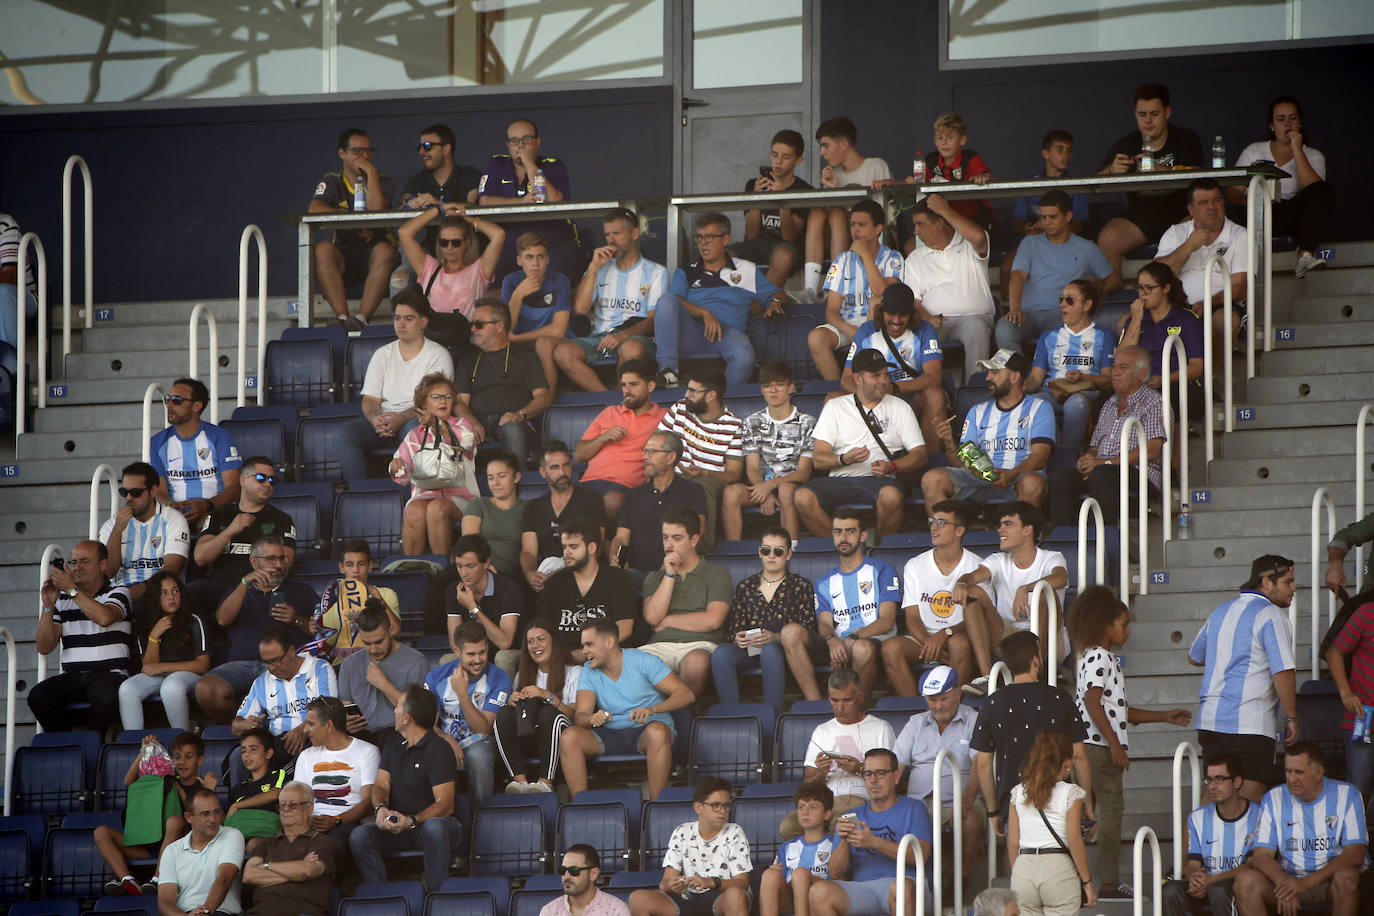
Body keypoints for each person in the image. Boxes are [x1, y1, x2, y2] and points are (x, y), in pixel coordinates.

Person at [1067, 586, 1192, 897]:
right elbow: (1093, 702)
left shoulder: (1092, 656)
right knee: (1111, 810)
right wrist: (1115, 745)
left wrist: (1164, 716)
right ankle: (1107, 884)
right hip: (1098, 748)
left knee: (1088, 814)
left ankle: (1079, 882)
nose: (1129, 630)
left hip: (1092, 746)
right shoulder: (1100, 656)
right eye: (1124, 624)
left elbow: (1118, 710)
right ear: (1104, 624)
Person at [1188, 555, 1299, 802]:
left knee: (1214, 795)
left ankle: (1194, 843)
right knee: (1249, 797)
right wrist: (1292, 718)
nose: (1293, 588)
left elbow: (1194, 657)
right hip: (1249, 724)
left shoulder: (1221, 610)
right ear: (1267, 581)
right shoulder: (1272, 614)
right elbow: (1282, 671)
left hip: (1210, 722)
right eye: (1288, 582)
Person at [795, 350, 927, 540]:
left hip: (881, 481)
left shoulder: (900, 407)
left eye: (885, 375)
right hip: (838, 480)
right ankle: (841, 550)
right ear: (857, 378)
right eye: (875, 375)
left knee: (891, 496)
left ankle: (881, 551)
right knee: (802, 497)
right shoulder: (835, 406)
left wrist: (892, 466)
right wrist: (843, 459)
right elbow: (819, 459)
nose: (883, 380)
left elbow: (920, 454)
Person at [969, 631, 1093, 831]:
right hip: (1060, 804)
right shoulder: (1060, 698)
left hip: (1013, 807)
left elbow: (983, 764)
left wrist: (993, 812)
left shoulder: (991, 703)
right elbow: (1079, 757)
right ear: (1035, 660)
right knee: (1061, 861)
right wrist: (1087, 805)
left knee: (1022, 862)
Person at [559, 619, 696, 800]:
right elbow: (580, 716)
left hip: (649, 731)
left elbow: (686, 694)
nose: (584, 651)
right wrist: (592, 718)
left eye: (589, 644)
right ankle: (581, 806)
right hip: (612, 733)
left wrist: (652, 709)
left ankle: (657, 806)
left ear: (609, 642)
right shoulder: (588, 671)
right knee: (569, 737)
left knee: (657, 731)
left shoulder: (643, 660)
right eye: (583, 646)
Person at [655, 211, 787, 388]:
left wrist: (775, 302)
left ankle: (723, 403)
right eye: (699, 237)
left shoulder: (746, 269)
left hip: (727, 335)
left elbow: (778, 294)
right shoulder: (686, 271)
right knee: (666, 300)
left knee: (744, 355)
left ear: (725, 239)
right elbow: (674, 302)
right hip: (692, 334)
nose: (703, 243)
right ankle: (669, 372)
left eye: (709, 237)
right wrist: (704, 313)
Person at [348, 685, 461, 890]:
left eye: (398, 706)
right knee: (360, 835)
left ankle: (438, 897)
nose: (394, 711)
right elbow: (381, 784)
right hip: (399, 827)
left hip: (433, 827)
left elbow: (445, 805)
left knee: (434, 827)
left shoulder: (439, 749)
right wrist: (380, 808)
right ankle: (383, 898)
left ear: (407, 717)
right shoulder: (393, 742)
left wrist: (412, 821)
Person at [1234, 743, 1366, 916]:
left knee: (1347, 877)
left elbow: (1355, 855)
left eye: (1299, 772)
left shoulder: (1347, 794)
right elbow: (1261, 856)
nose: (1292, 778)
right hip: (1288, 879)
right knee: (1245, 880)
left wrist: (1306, 883)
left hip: (1330, 882)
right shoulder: (1273, 798)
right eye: (1288, 771)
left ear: (1319, 772)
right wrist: (1286, 883)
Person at [196, 537, 317, 725]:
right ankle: (256, 723)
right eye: (271, 558)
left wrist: (296, 619)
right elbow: (222, 619)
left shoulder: (302, 591)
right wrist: (244, 583)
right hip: (243, 664)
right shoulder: (238, 591)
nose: (278, 564)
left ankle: (265, 725)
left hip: (286, 664)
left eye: (282, 558)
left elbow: (320, 635)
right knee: (206, 689)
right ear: (254, 562)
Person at [339, 289, 455, 481]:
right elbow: (370, 399)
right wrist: (375, 417)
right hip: (385, 420)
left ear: (423, 322)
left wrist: (401, 417)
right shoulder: (382, 354)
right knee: (344, 434)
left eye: (408, 319)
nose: (401, 324)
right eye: (397, 318)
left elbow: (435, 404)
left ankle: (411, 493)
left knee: (413, 429)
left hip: (416, 419)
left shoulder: (438, 355)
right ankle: (360, 493)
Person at [923, 349, 1054, 512]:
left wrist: (1010, 474)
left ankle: (1025, 534)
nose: (987, 378)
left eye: (995, 372)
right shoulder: (977, 411)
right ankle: (943, 533)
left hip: (1019, 477)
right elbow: (962, 463)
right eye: (988, 372)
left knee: (1032, 482)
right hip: (979, 479)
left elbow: (1040, 457)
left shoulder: (1039, 408)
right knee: (932, 479)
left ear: (1015, 376)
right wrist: (949, 443)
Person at [711, 526, 825, 711]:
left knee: (770, 650)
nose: (771, 555)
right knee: (721, 653)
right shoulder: (745, 586)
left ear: (788, 554)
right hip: (752, 646)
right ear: (759, 553)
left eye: (778, 551)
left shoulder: (800, 585)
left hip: (784, 647)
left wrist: (775, 637)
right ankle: (731, 715)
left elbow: (807, 628)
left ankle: (774, 716)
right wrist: (738, 638)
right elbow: (735, 628)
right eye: (766, 550)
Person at [1049, 345, 1165, 527]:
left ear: (1141, 374)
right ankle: (1065, 541)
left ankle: (1108, 540)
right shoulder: (1110, 403)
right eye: (1114, 367)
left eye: (1123, 368)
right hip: (1102, 470)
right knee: (1060, 477)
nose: (1114, 373)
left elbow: (1150, 451)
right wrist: (1088, 458)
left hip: (1140, 474)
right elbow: (1096, 446)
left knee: (1101, 474)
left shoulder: (1154, 402)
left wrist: (1104, 463)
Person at [808, 748, 932, 916]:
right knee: (819, 891)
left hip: (904, 885)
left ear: (896, 777)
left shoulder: (914, 808)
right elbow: (835, 872)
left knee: (901, 888)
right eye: (868, 774)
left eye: (880, 773)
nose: (873, 780)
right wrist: (845, 840)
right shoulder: (851, 816)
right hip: (862, 889)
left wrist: (873, 841)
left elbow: (921, 856)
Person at [1095, 83, 1204, 274]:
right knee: (1108, 237)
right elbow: (1094, 183)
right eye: (1142, 114)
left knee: (1201, 224)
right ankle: (1111, 291)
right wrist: (1112, 170)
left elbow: (1200, 178)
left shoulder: (1186, 139)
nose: (1148, 120)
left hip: (1181, 215)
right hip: (1140, 219)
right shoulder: (1126, 144)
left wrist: (1161, 169)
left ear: (1167, 112)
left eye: (1154, 114)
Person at [882, 501, 988, 690]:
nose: (933, 527)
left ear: (959, 531)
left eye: (941, 522)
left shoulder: (977, 567)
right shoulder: (915, 565)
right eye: (932, 521)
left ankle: (955, 705)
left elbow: (980, 619)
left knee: (959, 644)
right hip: (923, 637)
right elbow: (912, 617)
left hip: (959, 636)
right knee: (891, 648)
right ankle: (914, 710)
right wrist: (929, 642)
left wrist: (944, 634)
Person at [30, 539, 133, 734]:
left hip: (110, 675)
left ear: (103, 565)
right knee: (38, 696)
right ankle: (68, 746)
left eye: (85, 561)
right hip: (73, 677)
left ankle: (90, 748)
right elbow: (44, 646)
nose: (77, 567)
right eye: (74, 562)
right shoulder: (63, 599)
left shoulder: (119, 592)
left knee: (104, 696)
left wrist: (71, 589)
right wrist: (48, 605)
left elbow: (104, 617)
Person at [996, 190, 1118, 354]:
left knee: (1068, 335)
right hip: (1027, 315)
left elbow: (1114, 278)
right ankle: (1017, 376)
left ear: (1068, 216)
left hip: (1063, 316)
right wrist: (1015, 308)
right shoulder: (1029, 243)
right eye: (1043, 217)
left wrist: (1092, 292)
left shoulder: (1087, 248)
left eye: (1052, 217)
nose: (1046, 222)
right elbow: (1017, 275)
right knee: (1004, 329)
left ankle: (1052, 379)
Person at [952, 502, 1067, 671]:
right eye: (1000, 524)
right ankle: (986, 676)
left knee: (1043, 594)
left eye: (1008, 524)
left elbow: (1060, 578)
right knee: (973, 593)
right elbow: (973, 577)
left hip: (1049, 640)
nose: (1000, 530)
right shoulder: (998, 560)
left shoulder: (1052, 558)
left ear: (1027, 530)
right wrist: (961, 583)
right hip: (1008, 636)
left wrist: (1025, 589)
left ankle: (1038, 669)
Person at [783, 668, 896, 838]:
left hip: (863, 799)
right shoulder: (822, 731)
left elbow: (892, 779)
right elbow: (808, 786)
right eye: (834, 700)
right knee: (788, 827)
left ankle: (832, 863)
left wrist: (859, 769)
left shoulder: (881, 728)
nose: (840, 707)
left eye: (847, 700)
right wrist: (822, 773)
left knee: (842, 819)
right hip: (824, 802)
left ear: (860, 697)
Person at [891, 666, 984, 875]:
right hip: (918, 803)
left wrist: (966, 799)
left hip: (959, 801)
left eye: (944, 698)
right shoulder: (916, 723)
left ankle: (963, 878)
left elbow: (980, 765)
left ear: (958, 693)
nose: (938, 706)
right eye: (932, 700)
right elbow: (895, 765)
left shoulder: (973, 719)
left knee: (968, 818)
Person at [558, 207, 663, 390]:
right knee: (562, 352)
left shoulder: (656, 271)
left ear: (635, 233)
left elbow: (654, 320)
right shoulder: (600, 268)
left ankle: (622, 405)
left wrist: (622, 335)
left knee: (631, 348)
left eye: (617, 233)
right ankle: (609, 402)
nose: (611, 240)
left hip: (635, 337)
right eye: (607, 235)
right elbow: (579, 309)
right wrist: (593, 267)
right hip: (600, 338)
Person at [96, 733, 208, 897]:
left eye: (188, 757)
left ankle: (157, 879)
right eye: (177, 757)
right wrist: (144, 752)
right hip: (149, 847)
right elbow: (129, 782)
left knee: (175, 821)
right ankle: (127, 880)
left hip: (180, 849)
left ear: (200, 760)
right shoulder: (164, 780)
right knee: (101, 832)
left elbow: (200, 819)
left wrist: (180, 790)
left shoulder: (202, 787)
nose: (182, 762)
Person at [309, 127, 399, 331]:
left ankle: (361, 319)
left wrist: (371, 173)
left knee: (385, 251)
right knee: (322, 249)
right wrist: (352, 225)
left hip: (377, 257)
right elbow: (314, 208)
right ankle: (342, 318)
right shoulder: (332, 180)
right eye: (358, 151)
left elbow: (376, 209)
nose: (364, 156)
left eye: (369, 151)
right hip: (345, 255)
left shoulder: (383, 180)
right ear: (342, 153)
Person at [1232, 96, 1332, 278]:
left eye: (1293, 118)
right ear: (1272, 125)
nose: (1287, 124)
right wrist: (1255, 204)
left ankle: (1305, 257)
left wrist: (1297, 149)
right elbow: (1232, 193)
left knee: (1321, 190)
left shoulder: (1313, 155)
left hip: (1290, 217)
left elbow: (1314, 190)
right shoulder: (1254, 150)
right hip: (1257, 214)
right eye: (1281, 119)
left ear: (1300, 122)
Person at [901, 194, 996, 382]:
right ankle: (924, 393)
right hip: (934, 322)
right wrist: (927, 317)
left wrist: (945, 210)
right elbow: (913, 300)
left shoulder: (969, 244)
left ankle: (973, 393)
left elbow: (979, 236)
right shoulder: (914, 258)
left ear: (940, 222)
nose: (916, 231)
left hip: (972, 320)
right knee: (913, 330)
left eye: (921, 224)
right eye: (915, 225)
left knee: (976, 328)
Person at [807, 200, 903, 381]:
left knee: (876, 303)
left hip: (880, 326)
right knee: (816, 337)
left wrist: (866, 255)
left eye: (862, 225)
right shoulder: (842, 260)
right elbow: (831, 311)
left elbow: (884, 295)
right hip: (848, 326)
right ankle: (839, 390)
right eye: (852, 224)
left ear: (878, 228)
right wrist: (849, 329)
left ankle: (862, 385)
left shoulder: (893, 257)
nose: (855, 230)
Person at [640, 508, 732, 696]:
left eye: (677, 538)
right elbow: (652, 617)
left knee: (696, 663)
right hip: (660, 645)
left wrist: (668, 621)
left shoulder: (716, 573)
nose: (669, 545)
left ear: (694, 540)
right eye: (665, 538)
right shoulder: (655, 578)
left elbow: (713, 620)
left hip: (700, 644)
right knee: (632, 664)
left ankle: (681, 716)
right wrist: (669, 574)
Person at [720, 361, 816, 541]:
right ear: (762, 390)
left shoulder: (807, 422)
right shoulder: (752, 422)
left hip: (793, 485)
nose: (773, 390)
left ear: (791, 388)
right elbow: (752, 469)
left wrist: (771, 487)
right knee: (730, 493)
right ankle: (735, 552)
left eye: (779, 385)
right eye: (767, 386)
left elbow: (803, 472)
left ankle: (791, 549)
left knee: (786, 490)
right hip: (760, 485)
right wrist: (765, 493)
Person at [840, 284, 944, 450]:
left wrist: (893, 388)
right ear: (881, 311)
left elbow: (934, 377)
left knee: (935, 395)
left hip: (910, 397)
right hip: (872, 398)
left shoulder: (925, 330)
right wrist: (869, 394)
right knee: (832, 398)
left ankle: (927, 463)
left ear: (912, 314)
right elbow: (846, 379)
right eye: (891, 313)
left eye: (902, 315)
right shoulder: (866, 331)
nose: (896, 320)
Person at [629, 777, 752, 916]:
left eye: (726, 805)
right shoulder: (682, 831)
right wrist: (673, 885)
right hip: (685, 898)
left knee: (735, 896)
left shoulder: (735, 832)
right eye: (716, 805)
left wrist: (711, 882)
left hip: (720, 898)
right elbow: (664, 884)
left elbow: (742, 883)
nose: (722, 811)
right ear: (698, 807)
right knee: (637, 898)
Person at [812, 510, 900, 702]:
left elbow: (887, 621)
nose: (843, 537)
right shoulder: (824, 582)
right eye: (837, 532)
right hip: (843, 643)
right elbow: (824, 623)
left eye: (850, 531)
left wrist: (854, 637)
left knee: (861, 648)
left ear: (863, 535)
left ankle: (860, 707)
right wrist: (832, 641)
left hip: (877, 639)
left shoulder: (883, 570)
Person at [1006, 731, 1097, 916]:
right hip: (1057, 869)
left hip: (1023, 868)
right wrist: (1087, 882)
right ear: (1067, 761)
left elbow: (1013, 842)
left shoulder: (1018, 792)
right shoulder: (1071, 792)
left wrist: (1018, 875)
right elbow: (1074, 840)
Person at [477, 117, 581, 278]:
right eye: (514, 141)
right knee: (494, 294)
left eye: (526, 140)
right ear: (508, 146)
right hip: (510, 247)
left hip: (552, 245)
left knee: (554, 287)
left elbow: (553, 201)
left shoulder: (553, 165)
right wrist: (521, 202)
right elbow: (485, 201)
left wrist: (530, 164)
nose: (520, 145)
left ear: (537, 142)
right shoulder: (497, 163)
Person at [1158, 754, 1261, 916]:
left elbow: (1253, 865)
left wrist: (1212, 880)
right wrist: (1194, 879)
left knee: (1218, 890)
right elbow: (1192, 863)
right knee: (1170, 890)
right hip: (1207, 884)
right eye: (1209, 780)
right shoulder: (1198, 817)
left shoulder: (1259, 815)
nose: (1212, 786)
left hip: (1236, 886)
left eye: (1219, 779)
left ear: (1237, 782)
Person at [189, 456, 298, 610]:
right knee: (191, 591)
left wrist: (247, 583)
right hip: (220, 588)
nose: (268, 484)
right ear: (243, 481)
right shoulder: (218, 516)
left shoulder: (282, 520)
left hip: (258, 589)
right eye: (261, 478)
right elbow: (200, 558)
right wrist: (231, 530)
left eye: (272, 480)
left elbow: (283, 567)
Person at [1156, 178, 1248, 358]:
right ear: (1191, 209)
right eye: (1204, 202)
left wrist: (1209, 303)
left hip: (1218, 306)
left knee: (1225, 321)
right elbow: (1156, 276)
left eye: (1217, 200)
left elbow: (1240, 287)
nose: (1212, 207)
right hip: (1176, 304)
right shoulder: (1176, 233)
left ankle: (1210, 378)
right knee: (1125, 322)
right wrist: (1188, 246)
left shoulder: (1240, 235)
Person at [802, 117, 892, 300]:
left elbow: (883, 215)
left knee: (836, 213)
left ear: (843, 143)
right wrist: (831, 191)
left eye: (826, 145)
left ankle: (837, 286)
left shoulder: (876, 166)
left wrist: (837, 194)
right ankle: (810, 289)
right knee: (818, 213)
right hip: (838, 243)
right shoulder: (833, 174)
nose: (822, 152)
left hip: (869, 242)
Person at [389, 373, 478, 557]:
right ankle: (412, 567)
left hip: (461, 498)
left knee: (437, 508)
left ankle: (441, 566)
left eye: (447, 396)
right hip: (424, 496)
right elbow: (403, 477)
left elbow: (467, 442)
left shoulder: (463, 425)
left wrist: (437, 424)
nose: (443, 401)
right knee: (413, 509)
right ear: (424, 405)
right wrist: (397, 467)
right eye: (436, 397)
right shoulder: (414, 435)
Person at [425, 621, 511, 808]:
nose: (478, 659)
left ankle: (481, 818)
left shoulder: (500, 678)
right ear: (457, 651)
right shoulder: (436, 676)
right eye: (471, 654)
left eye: (482, 652)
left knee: (478, 755)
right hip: (445, 740)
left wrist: (463, 694)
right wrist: (445, 738)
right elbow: (426, 724)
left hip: (481, 742)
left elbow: (484, 728)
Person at [454, 298, 552, 464]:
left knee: (512, 429)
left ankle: (517, 486)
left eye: (479, 324)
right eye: (472, 324)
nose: (472, 329)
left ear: (499, 326)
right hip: (479, 422)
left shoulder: (525, 356)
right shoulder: (467, 361)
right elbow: (460, 402)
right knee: (455, 431)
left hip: (517, 422)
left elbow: (543, 396)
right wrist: (472, 421)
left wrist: (519, 415)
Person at [657, 367, 744, 551]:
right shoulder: (680, 408)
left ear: (711, 395)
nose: (686, 394)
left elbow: (734, 474)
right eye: (688, 389)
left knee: (701, 486)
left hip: (711, 480)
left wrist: (704, 472)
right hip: (676, 473)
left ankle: (700, 550)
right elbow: (657, 442)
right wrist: (675, 463)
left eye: (693, 391)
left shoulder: (733, 425)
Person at [1023, 278, 1114, 454]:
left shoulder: (1104, 336)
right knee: (1035, 403)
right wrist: (1022, 385)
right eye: (1061, 299)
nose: (1063, 304)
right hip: (1053, 391)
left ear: (1087, 305)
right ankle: (1058, 452)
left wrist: (1084, 377)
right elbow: (1035, 378)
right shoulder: (1049, 336)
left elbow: (1108, 381)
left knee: (1075, 404)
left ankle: (1068, 454)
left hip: (1086, 392)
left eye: (1070, 300)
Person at [576, 359, 669, 521]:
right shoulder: (610, 412)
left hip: (626, 487)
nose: (627, 390)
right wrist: (603, 438)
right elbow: (579, 455)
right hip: (589, 483)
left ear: (650, 386)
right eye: (624, 385)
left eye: (633, 384)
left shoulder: (665, 417)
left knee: (612, 500)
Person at [494, 619, 580, 794]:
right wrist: (514, 702)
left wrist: (547, 696)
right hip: (529, 735)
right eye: (530, 641)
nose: (535, 645)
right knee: (504, 713)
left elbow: (575, 717)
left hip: (562, 738)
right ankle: (520, 782)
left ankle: (545, 783)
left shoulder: (575, 672)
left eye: (541, 639)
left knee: (548, 712)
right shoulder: (522, 675)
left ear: (554, 642)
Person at [233, 625, 337, 767]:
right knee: (237, 758)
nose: (271, 668)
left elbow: (330, 709)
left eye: (276, 660)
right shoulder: (262, 682)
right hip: (277, 744)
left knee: (305, 752)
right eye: (266, 662)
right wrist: (248, 724)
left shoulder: (319, 668)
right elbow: (236, 726)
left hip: (313, 739)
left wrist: (303, 729)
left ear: (292, 651)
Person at [118, 572, 209, 732]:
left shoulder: (193, 620)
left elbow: (202, 665)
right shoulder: (145, 624)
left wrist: (163, 667)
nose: (171, 597)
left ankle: (181, 740)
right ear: (154, 597)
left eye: (175, 591)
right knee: (127, 688)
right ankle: (134, 746)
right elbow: (148, 667)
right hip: (160, 675)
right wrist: (154, 636)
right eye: (164, 593)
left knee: (171, 686)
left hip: (188, 675)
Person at [609, 431, 709, 575]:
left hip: (677, 571)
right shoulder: (634, 495)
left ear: (671, 457)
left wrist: (671, 565)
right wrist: (616, 558)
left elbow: (697, 533)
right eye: (644, 451)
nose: (644, 456)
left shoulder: (693, 491)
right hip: (635, 572)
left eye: (652, 452)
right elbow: (621, 537)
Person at [1116, 261, 1205, 421]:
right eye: (1140, 288)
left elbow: (1197, 367)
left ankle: (1173, 446)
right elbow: (1122, 359)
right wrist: (1136, 319)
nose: (1142, 294)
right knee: (1106, 401)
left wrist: (1165, 378)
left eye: (1149, 288)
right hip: (1140, 385)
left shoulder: (1186, 319)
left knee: (1173, 401)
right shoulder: (1135, 319)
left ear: (1166, 288)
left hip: (1177, 384)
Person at [294, 696, 379, 859]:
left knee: (331, 845)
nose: (305, 730)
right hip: (312, 824)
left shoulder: (367, 751)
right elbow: (299, 799)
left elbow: (369, 803)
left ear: (329, 725)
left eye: (311, 724)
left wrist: (337, 820)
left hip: (348, 822)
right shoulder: (305, 756)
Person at [150, 378, 242, 526]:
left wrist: (206, 506)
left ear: (197, 406)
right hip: (175, 519)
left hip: (215, 515)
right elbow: (159, 491)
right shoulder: (157, 442)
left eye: (177, 400)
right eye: (168, 399)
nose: (169, 404)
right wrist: (171, 505)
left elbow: (234, 488)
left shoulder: (219, 436)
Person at [536, 519, 638, 653]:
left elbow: (624, 628)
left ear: (592, 548)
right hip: (563, 659)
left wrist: (589, 651)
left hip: (604, 655)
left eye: (573, 547)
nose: (566, 552)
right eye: (564, 547)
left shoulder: (617, 579)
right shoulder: (554, 583)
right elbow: (543, 630)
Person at [520, 441, 608, 592]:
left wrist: (561, 574)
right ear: (543, 472)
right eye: (555, 467)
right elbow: (528, 552)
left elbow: (596, 547)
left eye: (566, 465)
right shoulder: (533, 507)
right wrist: (530, 575)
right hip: (545, 578)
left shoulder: (592, 500)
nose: (562, 472)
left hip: (582, 575)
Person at [397, 204, 505, 327]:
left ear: (467, 242)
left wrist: (467, 220)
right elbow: (404, 233)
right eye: (444, 242)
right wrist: (439, 209)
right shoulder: (430, 269)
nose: (449, 247)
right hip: (434, 341)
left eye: (456, 242)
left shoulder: (478, 271)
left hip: (466, 341)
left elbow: (498, 234)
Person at [338, 601, 427, 745]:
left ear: (390, 630)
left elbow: (419, 716)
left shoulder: (416, 661)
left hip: (400, 734)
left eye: (379, 642)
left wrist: (384, 685)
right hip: (361, 736)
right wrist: (347, 722)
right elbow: (346, 706)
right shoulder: (350, 663)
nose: (373, 650)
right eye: (367, 643)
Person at [99, 460, 189, 600]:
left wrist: (142, 590)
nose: (129, 498)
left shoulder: (173, 519)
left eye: (135, 492)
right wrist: (117, 530)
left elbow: (172, 568)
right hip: (121, 596)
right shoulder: (111, 525)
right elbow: (108, 572)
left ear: (153, 491)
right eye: (125, 492)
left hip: (161, 594)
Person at [241, 781, 335, 916]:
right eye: (282, 805)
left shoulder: (322, 841)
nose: (286, 809)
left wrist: (265, 866)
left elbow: (307, 871)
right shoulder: (266, 843)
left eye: (293, 804)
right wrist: (295, 872)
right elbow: (249, 875)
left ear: (309, 808)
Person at [739, 129, 813, 290]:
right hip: (757, 244)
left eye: (785, 157)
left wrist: (782, 199)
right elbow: (751, 234)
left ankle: (761, 304)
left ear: (798, 160)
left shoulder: (804, 190)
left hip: (784, 246)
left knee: (784, 255)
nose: (778, 161)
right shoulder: (753, 184)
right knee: (725, 255)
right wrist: (757, 197)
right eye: (774, 155)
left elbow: (789, 237)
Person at [502, 231, 574, 393]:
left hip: (556, 342)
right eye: (529, 257)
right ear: (519, 261)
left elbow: (558, 330)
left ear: (547, 260)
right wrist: (518, 295)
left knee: (543, 344)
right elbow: (507, 329)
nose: (535, 263)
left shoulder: (559, 281)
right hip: (523, 346)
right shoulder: (511, 282)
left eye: (540, 257)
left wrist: (517, 338)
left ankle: (547, 398)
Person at [157, 786, 245, 916]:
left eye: (217, 812)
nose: (213, 819)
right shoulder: (172, 850)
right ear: (188, 817)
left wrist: (205, 912)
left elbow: (224, 879)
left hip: (221, 912)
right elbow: (165, 902)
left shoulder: (232, 835)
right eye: (205, 814)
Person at [312, 539, 402, 664]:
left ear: (370, 565)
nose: (355, 570)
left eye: (361, 564)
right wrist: (317, 631)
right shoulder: (331, 603)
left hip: (381, 663)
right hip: (343, 667)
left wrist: (376, 596)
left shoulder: (386, 594)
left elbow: (394, 630)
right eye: (349, 564)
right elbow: (328, 649)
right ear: (341, 568)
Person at [442, 534, 524, 668]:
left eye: (470, 566)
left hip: (508, 653)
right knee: (447, 660)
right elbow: (455, 643)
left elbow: (504, 643)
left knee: (503, 658)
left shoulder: (507, 588)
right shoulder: (454, 591)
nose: (464, 573)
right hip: (475, 653)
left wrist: (472, 608)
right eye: (459, 566)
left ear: (486, 563)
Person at [1323, 592, 1374, 799]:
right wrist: (1346, 693)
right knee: (1357, 794)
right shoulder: (1367, 613)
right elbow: (1333, 652)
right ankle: (1356, 833)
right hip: (1364, 717)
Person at [760, 784, 836, 916]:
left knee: (800, 874)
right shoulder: (788, 847)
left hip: (821, 900)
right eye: (801, 807)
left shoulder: (834, 844)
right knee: (770, 875)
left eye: (813, 807)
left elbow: (839, 881)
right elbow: (781, 879)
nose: (805, 812)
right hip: (791, 900)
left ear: (827, 814)